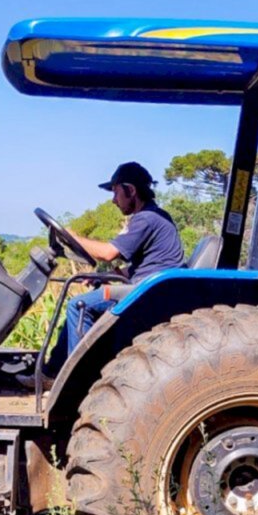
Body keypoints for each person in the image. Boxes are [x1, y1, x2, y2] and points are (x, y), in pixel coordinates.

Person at [28, 162, 183, 387]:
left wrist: (72, 236)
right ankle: (53, 373)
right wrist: (109, 276)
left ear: (130, 190)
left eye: (116, 192)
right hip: (147, 286)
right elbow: (146, 264)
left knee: (79, 306)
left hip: (149, 293)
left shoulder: (147, 218)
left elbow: (108, 253)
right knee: (79, 304)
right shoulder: (155, 216)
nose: (113, 200)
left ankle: (78, 385)